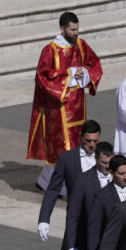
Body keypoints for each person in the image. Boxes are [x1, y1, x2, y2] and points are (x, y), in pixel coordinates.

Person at [37, 119, 101, 250]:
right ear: (80, 138)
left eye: (95, 141)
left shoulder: (104, 156)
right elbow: (53, 189)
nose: (92, 145)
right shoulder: (67, 159)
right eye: (88, 141)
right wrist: (44, 218)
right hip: (79, 224)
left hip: (101, 225)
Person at [28, 12, 103, 190]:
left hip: (78, 105)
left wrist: (84, 73)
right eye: (73, 30)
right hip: (58, 106)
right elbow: (42, 77)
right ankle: (59, 185)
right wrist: (69, 75)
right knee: (61, 146)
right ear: (62, 29)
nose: (76, 33)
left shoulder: (81, 45)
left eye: (77, 29)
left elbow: (94, 65)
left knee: (78, 141)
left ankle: (48, 181)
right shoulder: (50, 50)